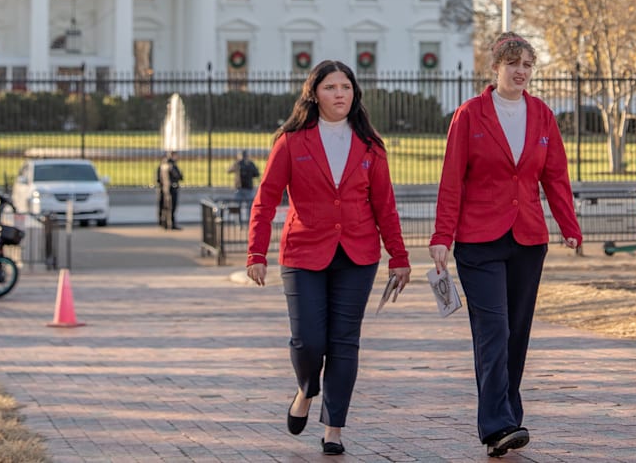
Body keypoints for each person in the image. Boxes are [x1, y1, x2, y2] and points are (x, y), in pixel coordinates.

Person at [246, 60, 411, 457]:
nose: (340, 94)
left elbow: (385, 206)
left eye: (346, 87)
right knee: (308, 341)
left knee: (343, 343)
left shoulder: (371, 145)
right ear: (314, 94)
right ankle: (306, 389)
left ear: (355, 94)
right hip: (303, 253)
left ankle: (333, 428)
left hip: (358, 254)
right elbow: (266, 199)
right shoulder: (291, 141)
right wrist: (256, 251)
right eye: (331, 87)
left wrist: (399, 256)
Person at [429, 31, 582, 458]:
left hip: (528, 239)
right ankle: (496, 424)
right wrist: (442, 236)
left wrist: (568, 224)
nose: (520, 71)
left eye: (527, 64)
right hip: (478, 240)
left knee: (516, 332)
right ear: (495, 68)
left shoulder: (543, 115)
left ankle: (508, 416)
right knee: (493, 329)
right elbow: (452, 180)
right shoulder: (470, 115)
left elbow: (555, 176)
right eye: (512, 63)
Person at [227, 149, 260, 223]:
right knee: (249, 207)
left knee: (237, 207)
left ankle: (239, 222)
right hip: (248, 188)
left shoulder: (237, 163)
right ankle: (249, 222)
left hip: (239, 188)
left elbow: (229, 170)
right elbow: (256, 174)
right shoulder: (250, 164)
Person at [155, 151, 183, 230]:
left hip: (164, 188)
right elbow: (179, 176)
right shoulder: (171, 165)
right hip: (172, 188)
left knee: (165, 206)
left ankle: (163, 222)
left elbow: (158, 178)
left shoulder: (162, 165)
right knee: (172, 207)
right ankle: (171, 223)